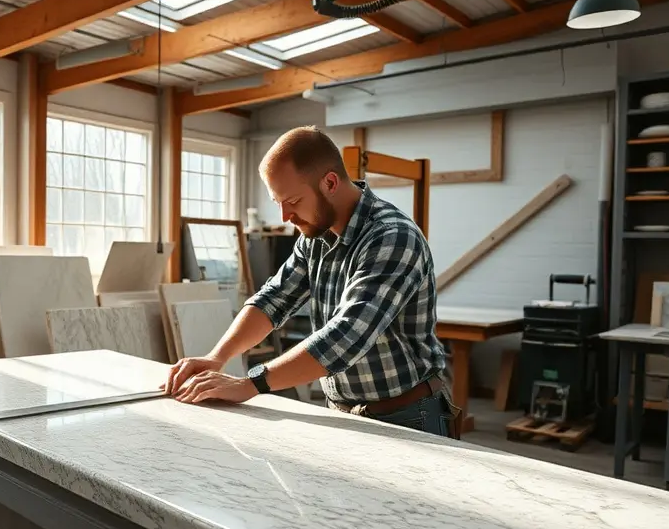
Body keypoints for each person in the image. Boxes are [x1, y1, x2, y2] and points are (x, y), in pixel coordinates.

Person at [161, 126, 457, 438]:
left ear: (330, 182)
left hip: (408, 416)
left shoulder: (392, 236)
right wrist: (216, 357)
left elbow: (346, 336)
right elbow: (274, 299)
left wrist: (250, 385)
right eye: (277, 202)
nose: (285, 216)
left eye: (292, 200)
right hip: (344, 412)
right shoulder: (317, 232)